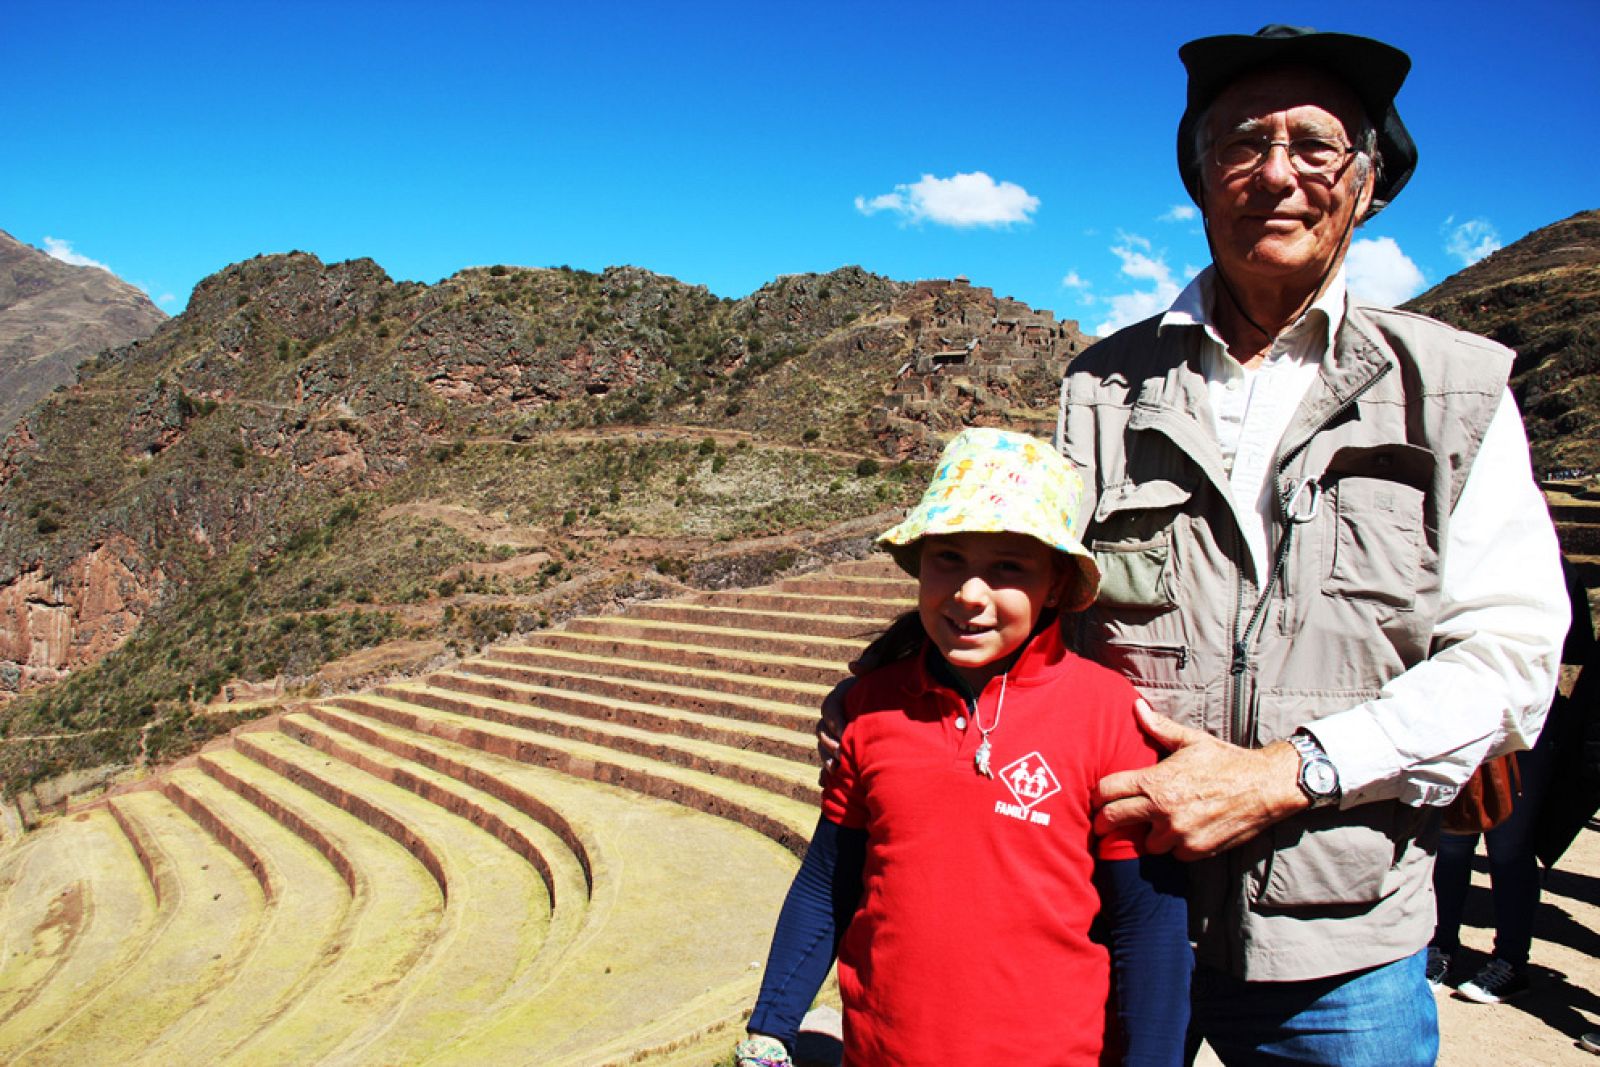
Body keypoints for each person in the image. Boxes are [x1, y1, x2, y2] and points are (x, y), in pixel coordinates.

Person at [819, 24, 1568, 1066]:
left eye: (1315, 146)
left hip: (1339, 942)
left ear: (1365, 184)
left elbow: (1510, 655)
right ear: (1200, 178)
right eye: (1242, 143)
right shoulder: (1100, 385)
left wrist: (1286, 774)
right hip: (1116, 911)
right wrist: (882, 676)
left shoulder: (1454, 390)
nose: (1277, 173)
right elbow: (1036, 573)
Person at [738, 428, 1190, 1067]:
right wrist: (771, 1028)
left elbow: (1148, 922)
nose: (968, 595)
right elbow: (828, 881)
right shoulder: (873, 707)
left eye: (1008, 567)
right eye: (947, 558)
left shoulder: (1108, 715)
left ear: (1056, 584)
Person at [1428, 560, 1594, 1003]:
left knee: (1510, 848)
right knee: (1451, 842)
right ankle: (1440, 946)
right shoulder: (1459, 561)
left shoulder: (1556, 571)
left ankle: (1510, 961)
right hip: (1458, 712)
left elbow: (1574, 655)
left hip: (1526, 725)